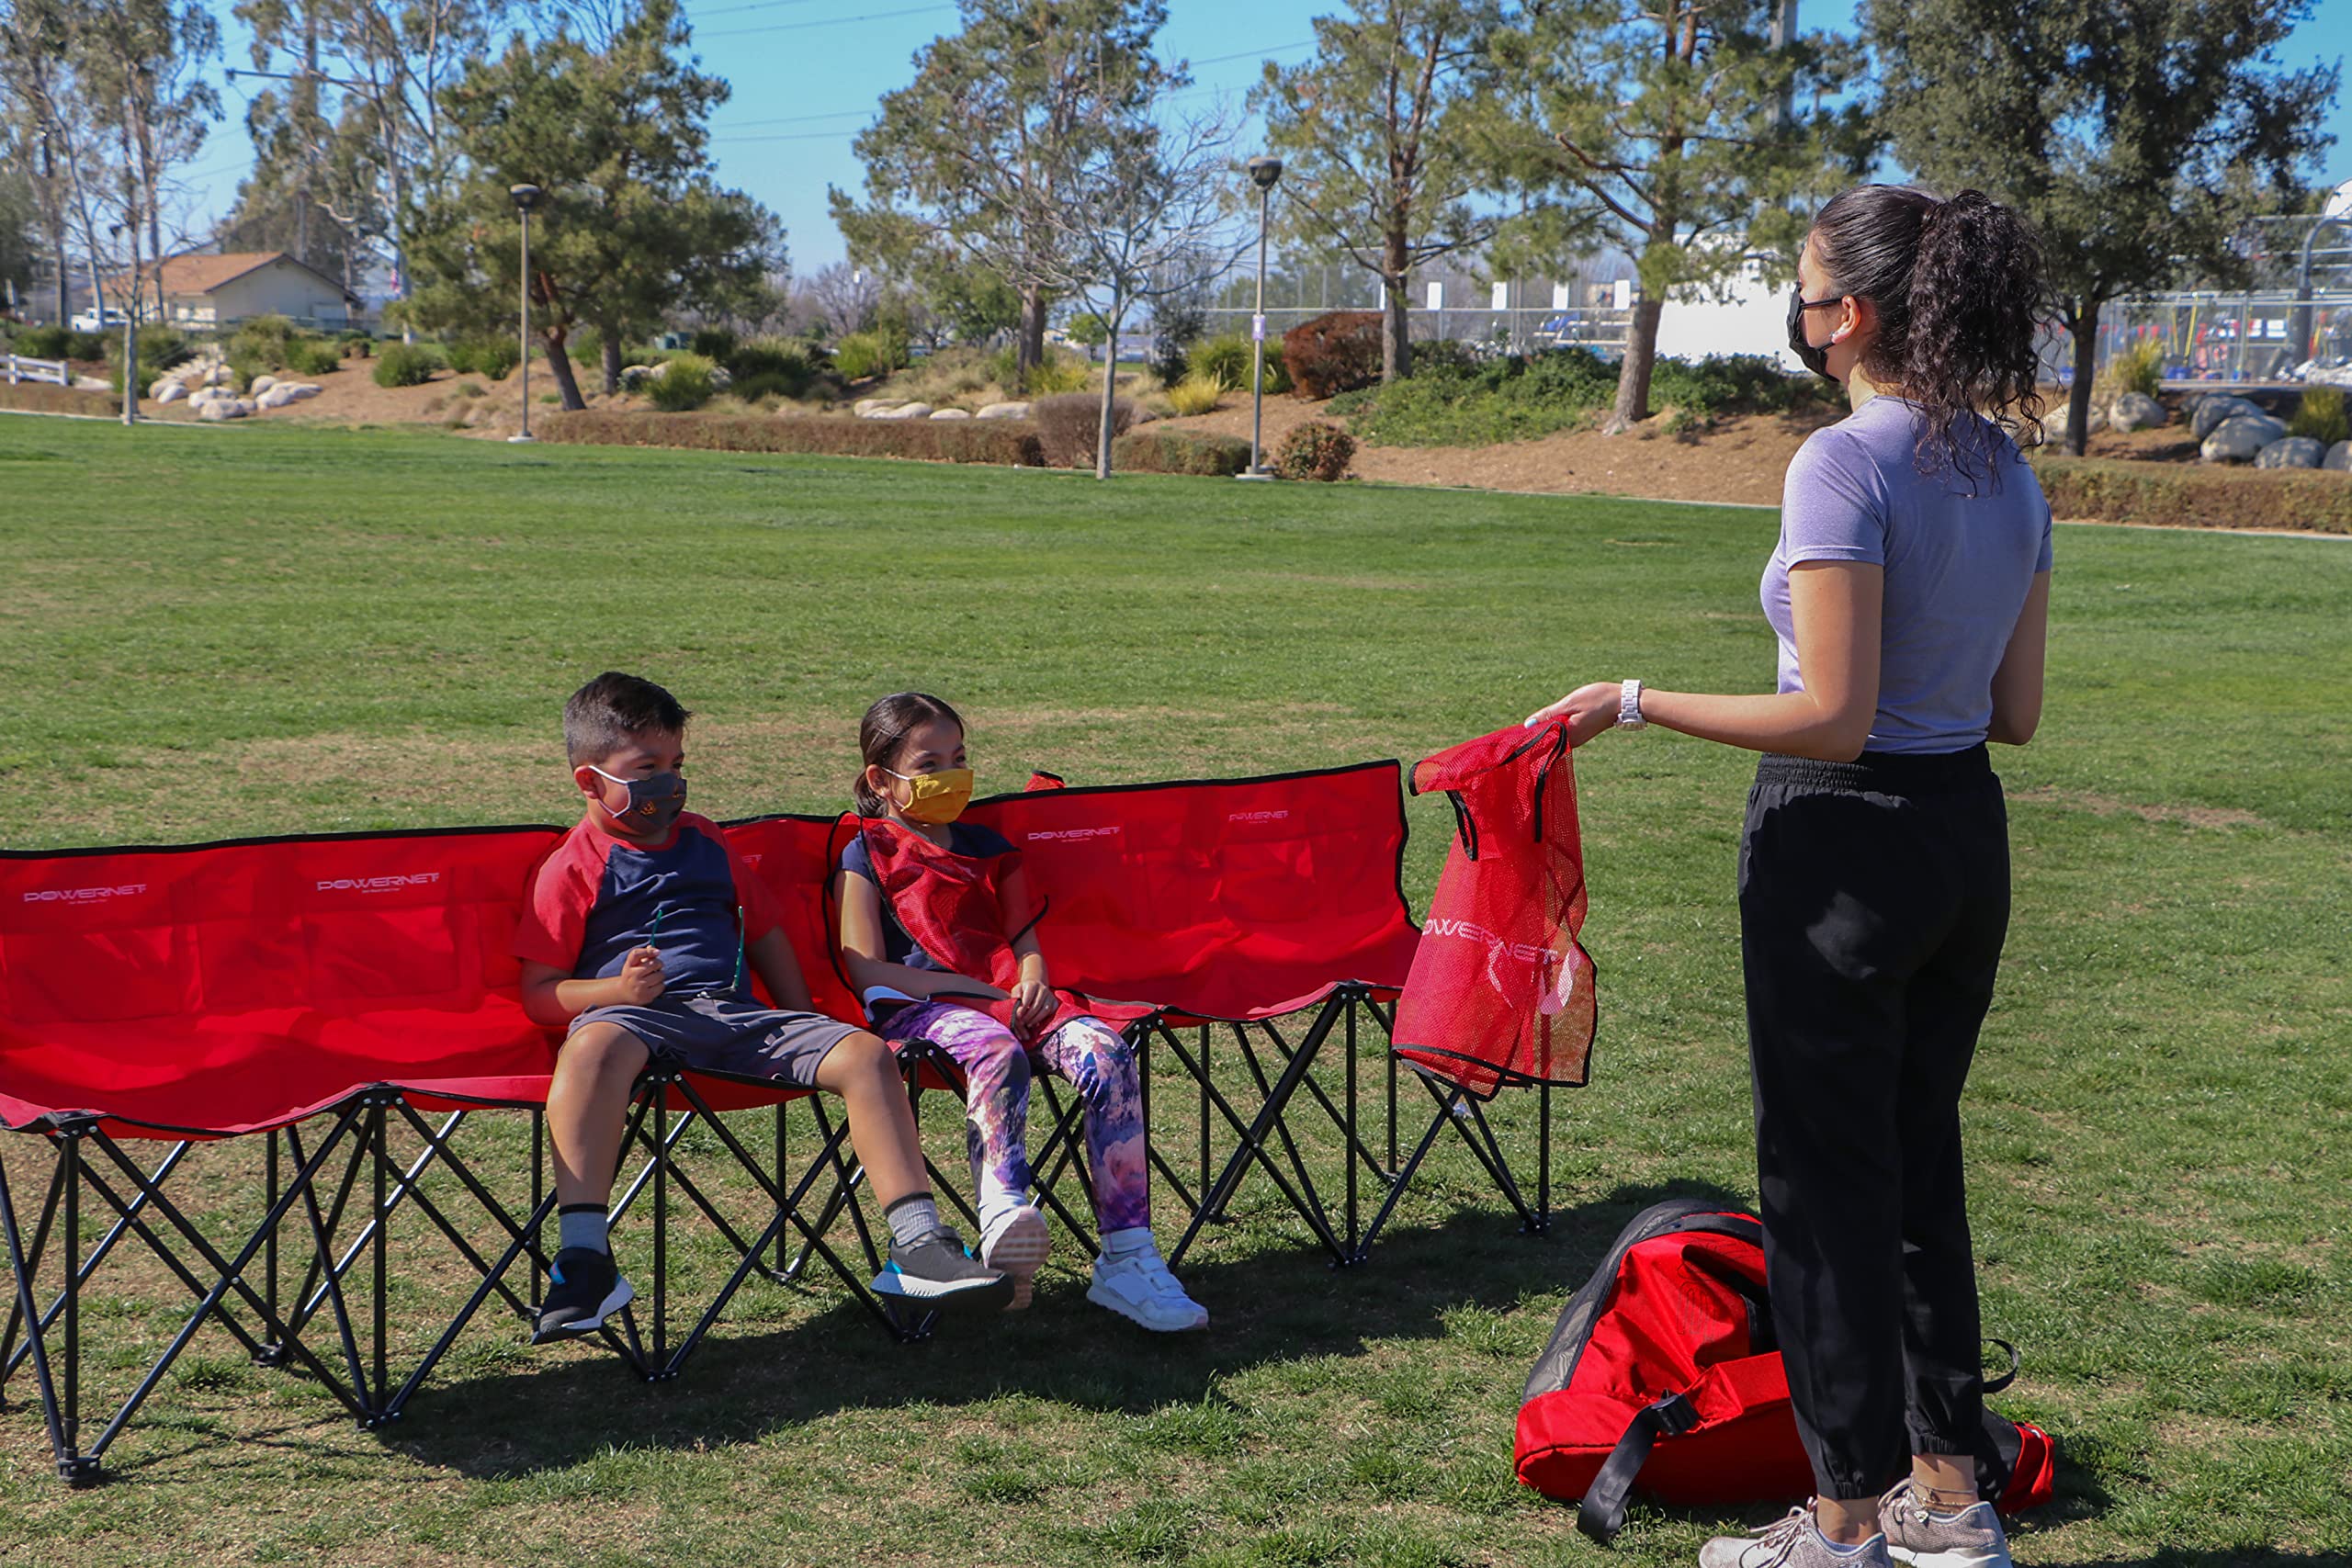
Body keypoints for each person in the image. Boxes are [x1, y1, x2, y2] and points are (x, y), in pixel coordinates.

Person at [1526, 186, 2053, 1568]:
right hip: (1961, 839)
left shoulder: (1839, 462)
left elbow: (1829, 711)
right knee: (1918, 1165)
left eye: (1808, 285)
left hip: (1840, 844)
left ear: (1854, 312)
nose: (1798, 308)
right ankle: (1951, 1499)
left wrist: (1634, 699)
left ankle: (1836, 1524)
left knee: (1825, 1190)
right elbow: (2017, 712)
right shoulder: (2010, 468)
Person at [515, 671, 1011, 1340]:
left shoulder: (706, 840)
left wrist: (805, 1013)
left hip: (736, 1013)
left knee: (864, 1054)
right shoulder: (571, 866)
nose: (670, 781)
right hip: (635, 1019)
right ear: (590, 781)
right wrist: (614, 992)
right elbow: (542, 995)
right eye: (647, 768)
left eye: (677, 764)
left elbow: (769, 928)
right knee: (590, 1045)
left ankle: (918, 1246)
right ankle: (584, 1259)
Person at [834, 692, 1208, 1332]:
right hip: (921, 1012)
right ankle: (1003, 1209)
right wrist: (976, 993)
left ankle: (1128, 1256)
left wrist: (1033, 979)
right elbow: (862, 965)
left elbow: (1025, 941)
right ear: (881, 778)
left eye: (959, 758)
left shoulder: (988, 846)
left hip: (1013, 999)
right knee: (993, 1045)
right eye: (930, 763)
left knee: (1105, 1051)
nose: (951, 775)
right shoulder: (864, 850)